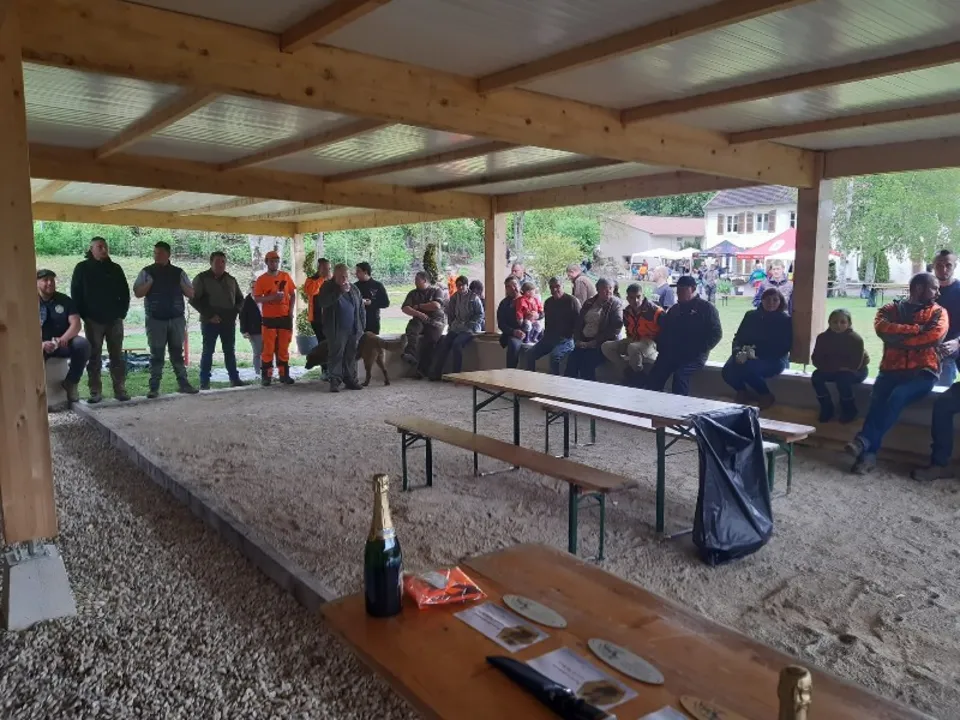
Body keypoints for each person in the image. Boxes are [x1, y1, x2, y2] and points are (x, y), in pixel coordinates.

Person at [847, 273, 947, 475]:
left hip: (924, 372)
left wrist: (899, 340)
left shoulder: (938, 312)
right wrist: (916, 329)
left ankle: (864, 441)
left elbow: (934, 337)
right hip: (890, 369)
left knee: (898, 396)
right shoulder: (889, 309)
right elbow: (882, 329)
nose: (938, 292)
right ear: (919, 288)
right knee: (877, 403)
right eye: (934, 288)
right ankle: (868, 456)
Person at [70, 236, 130, 403]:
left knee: (117, 356)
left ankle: (120, 389)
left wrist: (121, 313)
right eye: (100, 247)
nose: (104, 249)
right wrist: (85, 315)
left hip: (114, 319)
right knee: (94, 355)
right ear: (92, 249)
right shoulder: (82, 268)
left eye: (105, 247)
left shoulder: (115, 268)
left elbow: (124, 292)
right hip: (93, 320)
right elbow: (76, 293)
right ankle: (95, 391)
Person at [133, 241, 197, 398]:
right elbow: (138, 293)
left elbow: (191, 293)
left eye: (160, 253)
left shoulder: (178, 273)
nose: (156, 256)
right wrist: (150, 283)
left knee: (177, 353)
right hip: (155, 320)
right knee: (156, 354)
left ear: (168, 254)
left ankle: (184, 384)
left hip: (176, 319)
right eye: (155, 253)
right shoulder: (147, 272)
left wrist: (180, 284)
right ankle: (154, 388)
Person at [646, 275, 723, 396]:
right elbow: (665, 331)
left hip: (695, 355)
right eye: (678, 289)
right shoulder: (674, 310)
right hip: (673, 352)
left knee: (680, 376)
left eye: (682, 289)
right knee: (656, 374)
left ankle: (681, 404)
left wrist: (700, 349)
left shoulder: (707, 309)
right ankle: (652, 400)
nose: (678, 292)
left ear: (693, 289)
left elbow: (716, 334)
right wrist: (663, 347)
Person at [721, 288, 792, 409]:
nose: (771, 303)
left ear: (780, 302)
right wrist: (737, 352)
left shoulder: (785, 320)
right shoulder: (750, 316)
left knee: (746, 368)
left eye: (775, 300)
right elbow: (738, 337)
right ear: (762, 300)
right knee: (727, 370)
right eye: (767, 299)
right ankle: (742, 391)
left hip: (774, 358)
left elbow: (784, 346)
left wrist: (756, 355)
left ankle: (765, 394)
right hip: (746, 353)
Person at [191, 251, 245, 390]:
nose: (221, 264)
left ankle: (234, 378)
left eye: (223, 262)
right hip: (209, 322)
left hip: (228, 322)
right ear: (211, 262)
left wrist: (235, 311)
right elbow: (193, 299)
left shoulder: (231, 280)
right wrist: (210, 315)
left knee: (229, 351)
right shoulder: (202, 278)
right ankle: (204, 382)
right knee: (208, 351)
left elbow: (240, 299)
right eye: (217, 261)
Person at [37, 269, 90, 405]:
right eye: (45, 280)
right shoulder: (29, 302)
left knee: (82, 345)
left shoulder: (64, 300)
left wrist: (63, 339)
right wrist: (41, 344)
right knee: (32, 354)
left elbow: (76, 324)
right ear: (36, 283)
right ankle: (38, 397)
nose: (50, 283)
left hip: (62, 343)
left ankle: (71, 382)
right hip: (39, 344)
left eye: (52, 280)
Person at [810, 308, 869, 423]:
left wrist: (831, 364)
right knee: (816, 377)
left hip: (857, 370)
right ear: (829, 322)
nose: (838, 325)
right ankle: (827, 408)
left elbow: (855, 364)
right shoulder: (822, 338)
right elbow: (816, 359)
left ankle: (849, 410)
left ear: (849, 323)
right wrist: (835, 367)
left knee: (843, 380)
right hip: (833, 368)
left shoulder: (855, 339)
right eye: (835, 322)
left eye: (843, 322)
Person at [317, 263, 365, 393]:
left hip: (353, 328)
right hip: (336, 329)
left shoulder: (354, 289)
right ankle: (335, 381)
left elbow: (361, 308)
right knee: (336, 355)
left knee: (351, 355)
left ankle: (351, 380)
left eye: (346, 276)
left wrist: (361, 326)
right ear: (334, 275)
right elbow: (323, 302)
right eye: (341, 277)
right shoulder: (327, 287)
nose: (344, 279)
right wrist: (340, 291)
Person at [601, 283, 661, 385]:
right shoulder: (627, 312)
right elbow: (628, 331)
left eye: (638, 297)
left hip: (651, 343)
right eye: (632, 298)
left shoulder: (655, 311)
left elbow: (665, 331)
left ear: (643, 296)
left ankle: (639, 375)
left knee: (633, 347)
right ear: (628, 298)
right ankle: (627, 370)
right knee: (606, 346)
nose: (636, 300)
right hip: (634, 340)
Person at [565, 278, 623, 382]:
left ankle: (589, 391)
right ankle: (568, 388)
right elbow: (579, 323)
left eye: (610, 288)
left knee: (587, 364)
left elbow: (616, 328)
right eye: (605, 288)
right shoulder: (589, 302)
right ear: (598, 289)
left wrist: (595, 342)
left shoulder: (615, 304)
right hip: (585, 341)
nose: (608, 291)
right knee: (572, 361)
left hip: (603, 343)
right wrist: (577, 339)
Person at [252, 250, 297, 386]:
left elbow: (292, 294)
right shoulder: (261, 279)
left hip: (284, 317)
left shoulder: (285, 276)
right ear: (266, 262)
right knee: (268, 348)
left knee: (283, 347)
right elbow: (257, 298)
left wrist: (290, 311)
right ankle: (267, 376)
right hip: (269, 318)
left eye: (276, 261)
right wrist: (272, 297)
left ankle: (284, 375)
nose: (274, 263)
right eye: (272, 261)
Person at [429, 275, 484, 380]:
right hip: (456, 326)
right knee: (444, 343)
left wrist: (471, 324)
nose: (460, 287)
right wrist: (451, 324)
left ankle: (456, 375)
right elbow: (450, 313)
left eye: (462, 285)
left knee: (457, 344)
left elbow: (480, 314)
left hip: (470, 328)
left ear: (467, 285)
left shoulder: (474, 298)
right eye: (458, 285)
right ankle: (436, 373)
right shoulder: (454, 297)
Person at [526, 277, 581, 375]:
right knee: (529, 354)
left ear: (563, 286)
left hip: (566, 339)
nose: (555, 289)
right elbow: (547, 321)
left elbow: (579, 322)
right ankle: (530, 378)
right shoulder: (548, 302)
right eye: (552, 287)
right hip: (549, 338)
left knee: (554, 357)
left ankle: (554, 382)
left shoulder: (572, 301)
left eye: (557, 286)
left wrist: (576, 340)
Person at [401, 271, 446, 378]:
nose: (415, 281)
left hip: (435, 321)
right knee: (412, 329)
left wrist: (418, 306)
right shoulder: (413, 293)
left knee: (431, 341)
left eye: (417, 279)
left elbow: (436, 305)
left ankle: (423, 370)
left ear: (425, 280)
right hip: (419, 319)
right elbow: (405, 308)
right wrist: (418, 313)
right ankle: (410, 353)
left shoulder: (436, 291)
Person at [932, 249, 960, 387]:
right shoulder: (926, 291)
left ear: (955, 266)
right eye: (939, 265)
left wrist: (958, 342)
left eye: (948, 265)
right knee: (939, 392)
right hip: (937, 352)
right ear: (933, 266)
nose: (944, 269)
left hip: (956, 343)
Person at [304, 257, 331, 379]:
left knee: (332, 343)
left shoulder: (331, 281)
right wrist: (322, 278)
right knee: (322, 344)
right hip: (317, 318)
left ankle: (334, 368)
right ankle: (325, 370)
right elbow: (312, 291)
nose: (327, 270)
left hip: (330, 318)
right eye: (325, 268)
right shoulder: (311, 280)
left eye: (329, 268)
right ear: (319, 268)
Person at [354, 262, 390, 335]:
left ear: (365, 272)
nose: (356, 273)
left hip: (373, 321)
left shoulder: (377, 285)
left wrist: (371, 303)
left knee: (373, 341)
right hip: (358, 322)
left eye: (358, 271)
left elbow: (386, 303)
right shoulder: (354, 287)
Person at [498, 276, 526, 368]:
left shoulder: (527, 299)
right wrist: (514, 332)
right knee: (513, 345)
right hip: (512, 334)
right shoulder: (504, 304)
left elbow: (540, 313)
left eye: (514, 285)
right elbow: (501, 324)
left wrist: (536, 315)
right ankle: (510, 371)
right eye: (509, 287)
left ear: (519, 285)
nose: (513, 288)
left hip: (529, 332)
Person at [239, 280, 263, 374]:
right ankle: (258, 373)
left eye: (257, 287)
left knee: (267, 352)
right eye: (253, 287)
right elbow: (242, 316)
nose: (255, 289)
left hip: (267, 329)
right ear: (250, 288)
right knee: (257, 352)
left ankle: (266, 372)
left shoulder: (264, 299)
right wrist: (244, 331)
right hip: (254, 330)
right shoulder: (247, 301)